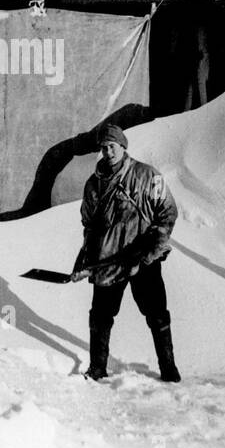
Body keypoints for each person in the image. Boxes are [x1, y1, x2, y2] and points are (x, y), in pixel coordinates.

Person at [69, 123, 180, 382]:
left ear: (123, 146)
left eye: (112, 146)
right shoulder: (94, 184)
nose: (108, 152)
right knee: (100, 316)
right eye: (104, 148)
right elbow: (89, 224)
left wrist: (152, 248)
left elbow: (168, 212)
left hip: (143, 259)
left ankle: (168, 368)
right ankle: (97, 368)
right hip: (107, 260)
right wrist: (85, 258)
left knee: (157, 314)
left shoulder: (147, 175)